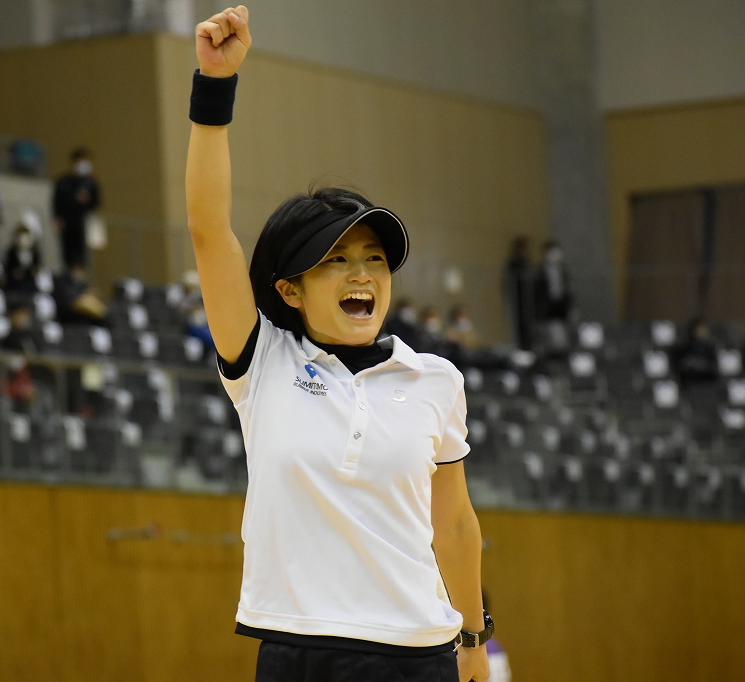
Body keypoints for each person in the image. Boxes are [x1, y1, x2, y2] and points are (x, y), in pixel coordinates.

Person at [186, 8, 490, 682]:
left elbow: (454, 523)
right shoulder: (262, 363)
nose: (362, 274)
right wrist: (215, 86)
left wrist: (474, 639)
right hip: (296, 652)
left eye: (375, 259)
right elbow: (209, 232)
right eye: (336, 260)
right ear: (290, 290)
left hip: (417, 657)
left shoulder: (435, 380)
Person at [53, 147, 100, 272]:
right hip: (67, 223)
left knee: (83, 254)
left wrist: (86, 201)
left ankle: (81, 273)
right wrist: (57, 218)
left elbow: (96, 203)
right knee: (68, 253)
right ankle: (68, 273)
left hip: (83, 223)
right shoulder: (64, 181)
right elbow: (57, 202)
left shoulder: (91, 183)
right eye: (81, 160)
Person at [502, 236, 533, 350]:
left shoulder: (527, 264)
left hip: (527, 301)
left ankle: (529, 346)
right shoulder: (513, 264)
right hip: (517, 301)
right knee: (519, 326)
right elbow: (508, 283)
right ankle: (521, 347)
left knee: (529, 326)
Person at [533, 240, 572, 322]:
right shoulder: (541, 271)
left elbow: (568, 287)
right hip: (548, 306)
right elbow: (538, 290)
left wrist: (570, 306)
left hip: (561, 303)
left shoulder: (562, 270)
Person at [674, 317, 718, 384]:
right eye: (701, 329)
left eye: (705, 329)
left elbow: (713, 367)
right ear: (694, 331)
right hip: (689, 381)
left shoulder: (710, 349)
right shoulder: (685, 348)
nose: (704, 331)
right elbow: (682, 365)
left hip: (707, 382)